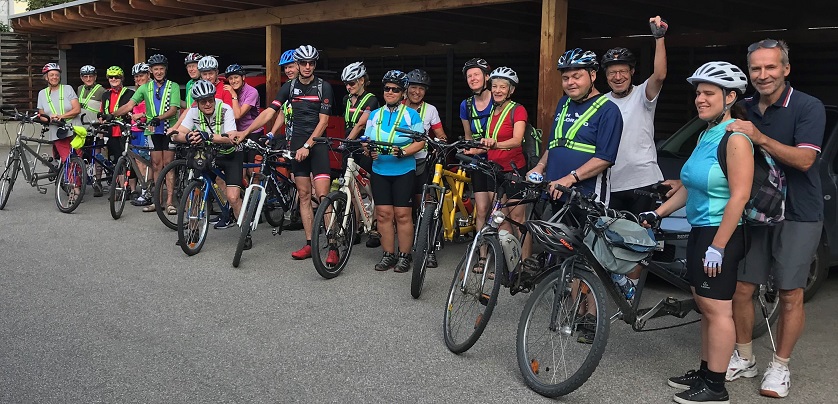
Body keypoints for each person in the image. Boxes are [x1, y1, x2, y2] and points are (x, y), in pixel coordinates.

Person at [724, 39, 826, 399]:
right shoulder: (744, 105)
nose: (763, 75)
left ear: (785, 69)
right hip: (757, 211)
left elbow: (804, 161)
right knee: (742, 288)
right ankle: (746, 356)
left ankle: (780, 366)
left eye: (770, 67)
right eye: (756, 69)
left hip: (799, 212)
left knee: (789, 292)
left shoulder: (807, 106)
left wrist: (760, 137)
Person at [651, 61, 753, 404]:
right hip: (700, 229)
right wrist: (659, 213)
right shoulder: (705, 133)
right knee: (705, 305)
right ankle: (707, 370)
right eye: (698, 93)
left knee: (717, 309)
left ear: (730, 97)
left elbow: (739, 195)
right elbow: (689, 186)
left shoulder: (736, 138)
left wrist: (719, 247)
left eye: (709, 93)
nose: (700, 99)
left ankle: (716, 387)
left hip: (720, 234)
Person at [526, 48, 622, 345]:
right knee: (566, 250)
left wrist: (570, 178)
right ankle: (575, 306)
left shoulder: (608, 110)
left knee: (589, 255)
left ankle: (592, 314)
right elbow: (555, 144)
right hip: (557, 190)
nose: (570, 82)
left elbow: (605, 158)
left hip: (587, 193)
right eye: (566, 77)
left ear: (593, 76)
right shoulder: (564, 103)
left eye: (576, 76)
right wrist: (540, 167)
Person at [233, 45, 333, 260]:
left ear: (315, 65)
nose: (307, 67)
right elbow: (270, 111)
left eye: (311, 63)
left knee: (323, 196)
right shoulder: (289, 87)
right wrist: (246, 131)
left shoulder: (323, 87)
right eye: (303, 63)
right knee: (304, 196)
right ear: (297, 64)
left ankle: (333, 246)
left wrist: (308, 146)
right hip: (296, 146)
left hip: (317, 145)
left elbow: (323, 122)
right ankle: (309, 243)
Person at [603, 16, 668, 284]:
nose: (618, 76)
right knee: (612, 238)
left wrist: (659, 38)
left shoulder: (643, 95)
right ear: (605, 76)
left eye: (623, 71)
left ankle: (631, 287)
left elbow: (660, 75)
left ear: (631, 72)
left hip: (643, 180)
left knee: (641, 239)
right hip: (612, 182)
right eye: (612, 72)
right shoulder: (601, 103)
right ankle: (617, 286)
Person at [364, 70, 425, 272]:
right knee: (383, 214)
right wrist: (368, 150)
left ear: (402, 93)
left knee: (403, 215)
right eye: (387, 89)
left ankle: (404, 255)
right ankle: (388, 254)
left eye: (395, 89)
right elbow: (366, 141)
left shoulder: (411, 114)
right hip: (380, 170)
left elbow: (421, 142)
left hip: (403, 171)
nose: (390, 92)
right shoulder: (375, 115)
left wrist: (404, 151)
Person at [169, 80, 246, 233]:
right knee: (195, 192)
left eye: (210, 100)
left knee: (232, 197)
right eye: (203, 101)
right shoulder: (192, 112)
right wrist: (188, 137)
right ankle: (192, 232)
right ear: (197, 102)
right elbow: (178, 134)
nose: (208, 104)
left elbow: (231, 138)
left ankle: (245, 231)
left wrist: (207, 136)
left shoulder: (225, 109)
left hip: (231, 154)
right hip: (209, 155)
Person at [476, 66, 530, 264]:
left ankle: (525, 263)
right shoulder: (492, 111)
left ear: (511, 90)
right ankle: (507, 265)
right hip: (494, 169)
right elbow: (489, 144)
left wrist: (495, 144)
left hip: (513, 170)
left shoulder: (518, 109)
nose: (498, 90)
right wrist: (474, 149)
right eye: (495, 86)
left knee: (518, 219)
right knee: (500, 218)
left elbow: (517, 140)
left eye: (503, 87)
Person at [114, 54, 181, 213]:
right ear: (151, 71)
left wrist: (159, 118)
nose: (159, 72)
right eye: (156, 69)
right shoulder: (145, 88)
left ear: (165, 70)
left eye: (161, 69)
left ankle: (170, 202)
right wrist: (112, 114)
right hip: (152, 130)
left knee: (168, 166)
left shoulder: (174, 86)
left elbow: (173, 109)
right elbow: (130, 104)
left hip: (169, 130)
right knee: (157, 166)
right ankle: (157, 202)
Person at [403, 68, 447, 262]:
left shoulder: (430, 110)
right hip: (400, 161)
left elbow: (441, 134)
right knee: (405, 207)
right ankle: (406, 248)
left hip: (422, 161)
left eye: (421, 88)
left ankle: (428, 248)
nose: (417, 92)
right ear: (406, 88)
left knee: (425, 204)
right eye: (413, 87)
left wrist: (441, 144)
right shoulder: (398, 106)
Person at [340, 61, 380, 248]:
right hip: (349, 145)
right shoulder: (346, 99)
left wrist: (347, 140)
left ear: (362, 81)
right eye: (346, 83)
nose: (349, 87)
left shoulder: (371, 99)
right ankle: (354, 228)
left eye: (352, 83)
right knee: (351, 188)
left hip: (363, 144)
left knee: (370, 188)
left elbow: (360, 124)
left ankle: (374, 228)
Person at [459, 57, 493, 241]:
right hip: (479, 162)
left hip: (497, 161)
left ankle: (501, 254)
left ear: (487, 77)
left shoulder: (498, 100)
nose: (472, 78)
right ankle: (481, 253)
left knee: (497, 210)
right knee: (481, 209)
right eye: (469, 76)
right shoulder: (466, 105)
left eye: (476, 75)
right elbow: (468, 136)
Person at [99, 66, 135, 197]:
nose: (114, 79)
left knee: (129, 161)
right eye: (111, 77)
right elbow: (103, 111)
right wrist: (101, 117)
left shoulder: (129, 93)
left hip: (125, 131)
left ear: (122, 78)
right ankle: (120, 189)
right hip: (111, 132)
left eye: (117, 77)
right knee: (116, 161)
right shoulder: (105, 94)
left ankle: (132, 189)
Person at [37, 63, 82, 163]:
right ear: (46, 77)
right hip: (57, 132)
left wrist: (61, 116)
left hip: (74, 129)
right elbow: (42, 115)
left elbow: (77, 109)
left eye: (57, 75)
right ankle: (68, 178)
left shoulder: (67, 89)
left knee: (78, 161)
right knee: (67, 161)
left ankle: (80, 178)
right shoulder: (42, 94)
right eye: (52, 75)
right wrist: (50, 119)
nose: (55, 77)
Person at [223, 63, 262, 164]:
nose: (233, 81)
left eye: (236, 77)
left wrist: (234, 95)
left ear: (243, 77)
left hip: (253, 132)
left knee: (253, 168)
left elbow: (238, 115)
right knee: (241, 167)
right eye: (230, 79)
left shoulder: (252, 92)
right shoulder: (229, 91)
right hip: (236, 133)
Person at [127, 62, 151, 202]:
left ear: (148, 75)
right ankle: (145, 189)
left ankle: (147, 191)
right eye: (136, 77)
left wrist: (141, 115)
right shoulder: (136, 91)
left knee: (146, 162)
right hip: (135, 129)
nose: (138, 79)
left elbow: (155, 110)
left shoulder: (151, 90)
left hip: (146, 130)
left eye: (141, 76)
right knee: (138, 161)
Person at [266, 49, 300, 138]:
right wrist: (272, 133)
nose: (287, 70)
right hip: (290, 139)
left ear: (299, 65)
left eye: (290, 66)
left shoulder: (307, 87)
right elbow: (282, 114)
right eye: (285, 67)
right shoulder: (287, 86)